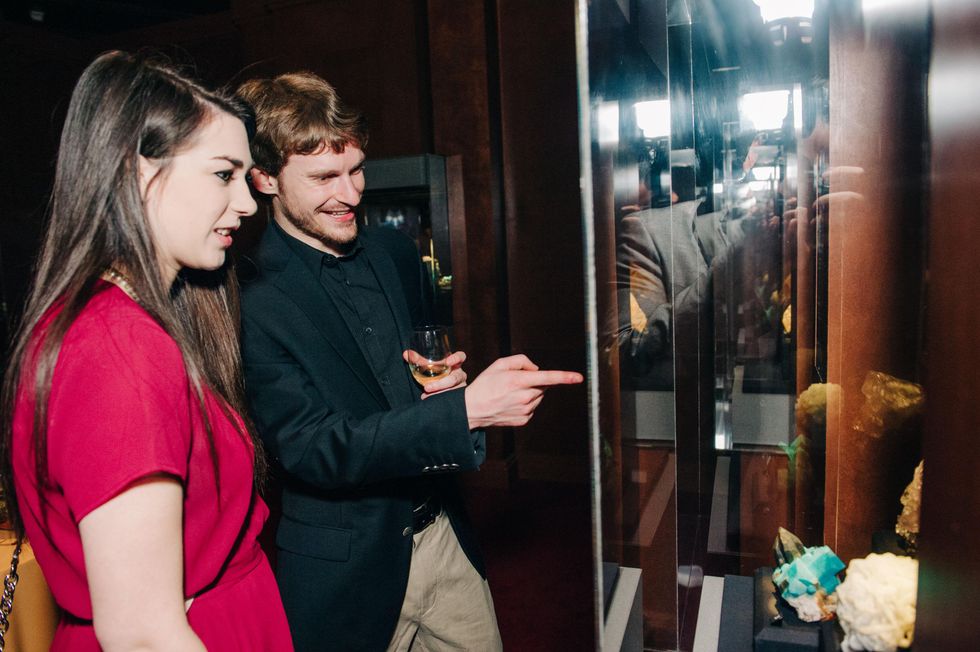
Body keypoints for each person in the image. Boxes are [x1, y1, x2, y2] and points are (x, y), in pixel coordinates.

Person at [236, 72, 583, 652]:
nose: (350, 194)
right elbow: (313, 449)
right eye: (323, 177)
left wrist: (444, 389)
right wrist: (464, 412)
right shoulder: (247, 298)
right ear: (264, 179)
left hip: (444, 533)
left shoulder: (394, 253)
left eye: (356, 170)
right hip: (348, 571)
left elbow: (412, 375)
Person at [0, 51, 294, 651]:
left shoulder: (139, 320)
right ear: (140, 174)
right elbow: (142, 635)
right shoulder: (117, 347)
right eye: (223, 174)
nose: (247, 202)